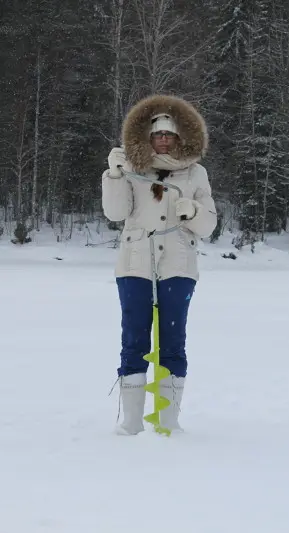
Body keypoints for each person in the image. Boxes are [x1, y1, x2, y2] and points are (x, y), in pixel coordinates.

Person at [101, 94, 217, 435]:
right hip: (135, 263)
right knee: (134, 339)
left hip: (178, 265)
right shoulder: (130, 168)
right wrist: (114, 175)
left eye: (169, 134)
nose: (163, 139)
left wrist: (192, 212)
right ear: (147, 137)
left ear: (181, 136)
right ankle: (132, 422)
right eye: (157, 134)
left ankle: (169, 421)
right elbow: (115, 213)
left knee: (173, 340)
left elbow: (209, 225)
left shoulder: (196, 174)